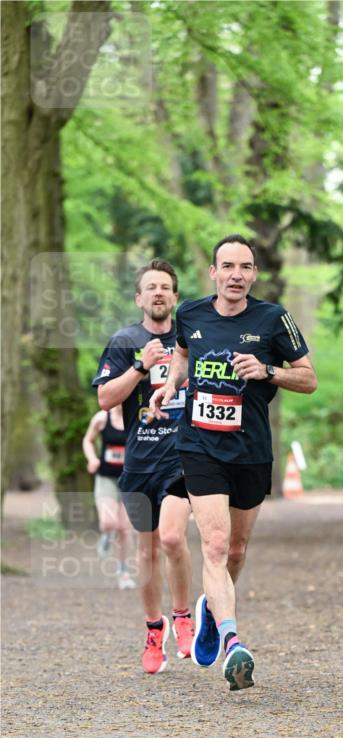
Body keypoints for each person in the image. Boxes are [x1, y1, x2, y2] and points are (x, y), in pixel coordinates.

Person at [150, 234, 317, 691]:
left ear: (254, 274)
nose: (236, 275)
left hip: (251, 449)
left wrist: (268, 371)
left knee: (237, 552)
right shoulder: (191, 314)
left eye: (245, 267)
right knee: (216, 547)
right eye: (228, 266)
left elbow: (308, 378)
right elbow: (183, 353)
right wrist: (170, 385)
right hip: (199, 444)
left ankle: (210, 612)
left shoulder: (273, 319)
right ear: (213, 273)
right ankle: (232, 641)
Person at [92, 259, 194, 674]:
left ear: (174, 296)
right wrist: (140, 366)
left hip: (183, 456)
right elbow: (104, 399)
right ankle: (155, 630)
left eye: (165, 287)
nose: (157, 293)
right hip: (139, 462)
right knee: (147, 548)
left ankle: (184, 615)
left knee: (171, 538)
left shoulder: (191, 338)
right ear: (139, 298)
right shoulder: (124, 340)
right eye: (150, 287)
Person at [82, 404, 136, 590]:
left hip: (129, 480)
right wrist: (92, 459)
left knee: (125, 529)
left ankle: (123, 572)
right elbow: (88, 440)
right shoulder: (101, 418)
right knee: (108, 523)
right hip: (106, 478)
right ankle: (106, 535)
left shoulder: (137, 416)